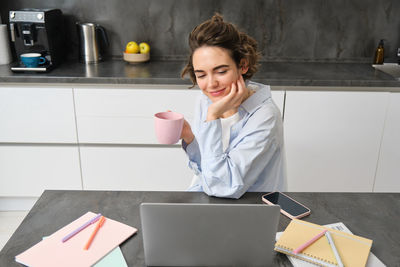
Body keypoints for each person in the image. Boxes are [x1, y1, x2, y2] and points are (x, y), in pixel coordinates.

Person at [180, 13, 286, 199]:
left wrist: (213, 116)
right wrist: (190, 140)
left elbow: (223, 187)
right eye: (201, 75)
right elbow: (206, 172)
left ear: (243, 65)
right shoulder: (205, 100)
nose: (211, 83)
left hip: (250, 212)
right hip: (207, 201)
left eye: (221, 71)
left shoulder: (265, 116)